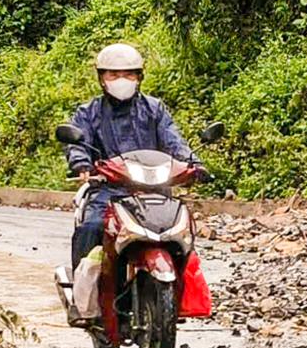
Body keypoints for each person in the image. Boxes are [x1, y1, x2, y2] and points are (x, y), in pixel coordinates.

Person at [64, 43, 205, 266]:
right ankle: (83, 291)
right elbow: (78, 142)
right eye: (114, 74)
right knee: (91, 227)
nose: (121, 79)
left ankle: (183, 292)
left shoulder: (154, 109)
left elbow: (173, 140)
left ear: (139, 77)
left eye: (128, 74)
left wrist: (193, 164)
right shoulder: (88, 112)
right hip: (107, 191)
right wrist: (81, 164)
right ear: (102, 78)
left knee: (182, 233)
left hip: (155, 190)